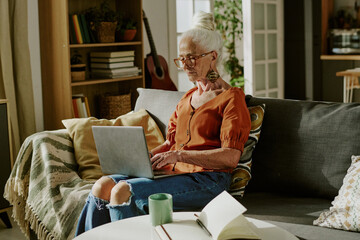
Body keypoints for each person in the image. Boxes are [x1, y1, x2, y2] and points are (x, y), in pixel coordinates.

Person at [75, 11, 251, 236]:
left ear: (213, 56)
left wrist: (179, 156)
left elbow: (230, 156)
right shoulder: (186, 98)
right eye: (181, 59)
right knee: (102, 185)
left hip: (209, 180)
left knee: (122, 192)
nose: (185, 64)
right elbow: (171, 143)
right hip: (175, 173)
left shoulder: (231, 98)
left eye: (192, 57)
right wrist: (145, 158)